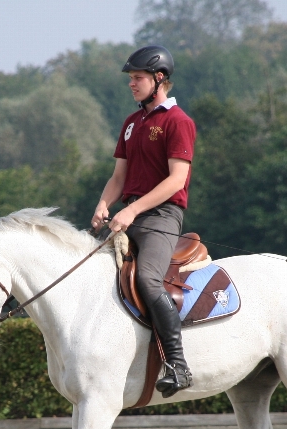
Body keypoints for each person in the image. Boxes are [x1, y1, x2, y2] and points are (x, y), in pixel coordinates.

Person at [91, 45, 196, 398]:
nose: (131, 84)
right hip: (127, 215)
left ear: (159, 79)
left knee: (150, 281)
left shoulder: (178, 122)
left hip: (162, 216)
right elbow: (118, 177)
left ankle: (178, 365)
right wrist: (104, 203)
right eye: (131, 78)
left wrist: (132, 211)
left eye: (137, 78)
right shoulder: (131, 123)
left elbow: (175, 181)